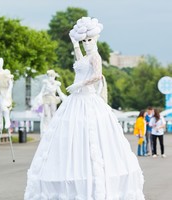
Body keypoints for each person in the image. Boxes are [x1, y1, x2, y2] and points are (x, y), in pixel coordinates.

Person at [24, 17, 144, 199]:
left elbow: (97, 75)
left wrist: (79, 86)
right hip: (75, 100)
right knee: (71, 134)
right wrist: (75, 45)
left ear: (95, 40)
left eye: (89, 40)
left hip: (87, 98)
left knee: (92, 136)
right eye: (85, 40)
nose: (87, 43)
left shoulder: (96, 56)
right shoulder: (86, 56)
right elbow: (80, 64)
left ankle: (91, 178)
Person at [32, 69, 66, 136]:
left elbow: (59, 92)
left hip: (53, 99)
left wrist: (64, 98)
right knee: (46, 114)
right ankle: (46, 127)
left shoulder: (56, 84)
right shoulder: (46, 83)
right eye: (49, 76)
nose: (50, 77)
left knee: (53, 113)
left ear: (54, 76)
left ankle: (53, 127)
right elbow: (42, 91)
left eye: (51, 76)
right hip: (46, 99)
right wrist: (39, 97)